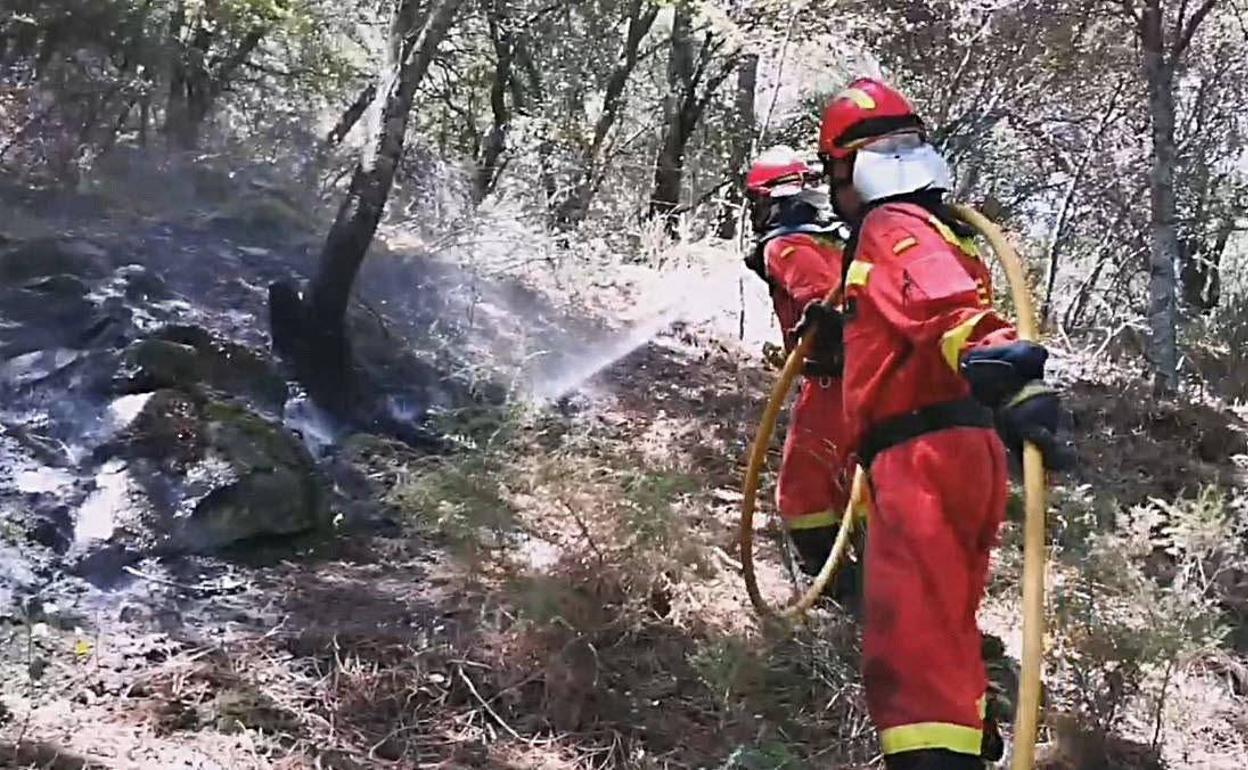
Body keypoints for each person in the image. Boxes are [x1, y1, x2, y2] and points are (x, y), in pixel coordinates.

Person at [815, 79, 1071, 769]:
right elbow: (905, 313)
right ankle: (965, 732)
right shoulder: (932, 229)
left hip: (921, 458)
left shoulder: (889, 226)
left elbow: (941, 305)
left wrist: (1001, 365)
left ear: (846, 170)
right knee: (943, 623)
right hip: (961, 452)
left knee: (911, 646)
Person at [743, 145, 861, 606]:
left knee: (803, 492)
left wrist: (823, 322)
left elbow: (819, 301)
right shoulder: (836, 237)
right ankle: (882, 582)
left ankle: (839, 590)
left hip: (834, 382)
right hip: (872, 378)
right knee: (857, 482)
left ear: (770, 199)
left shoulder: (787, 244)